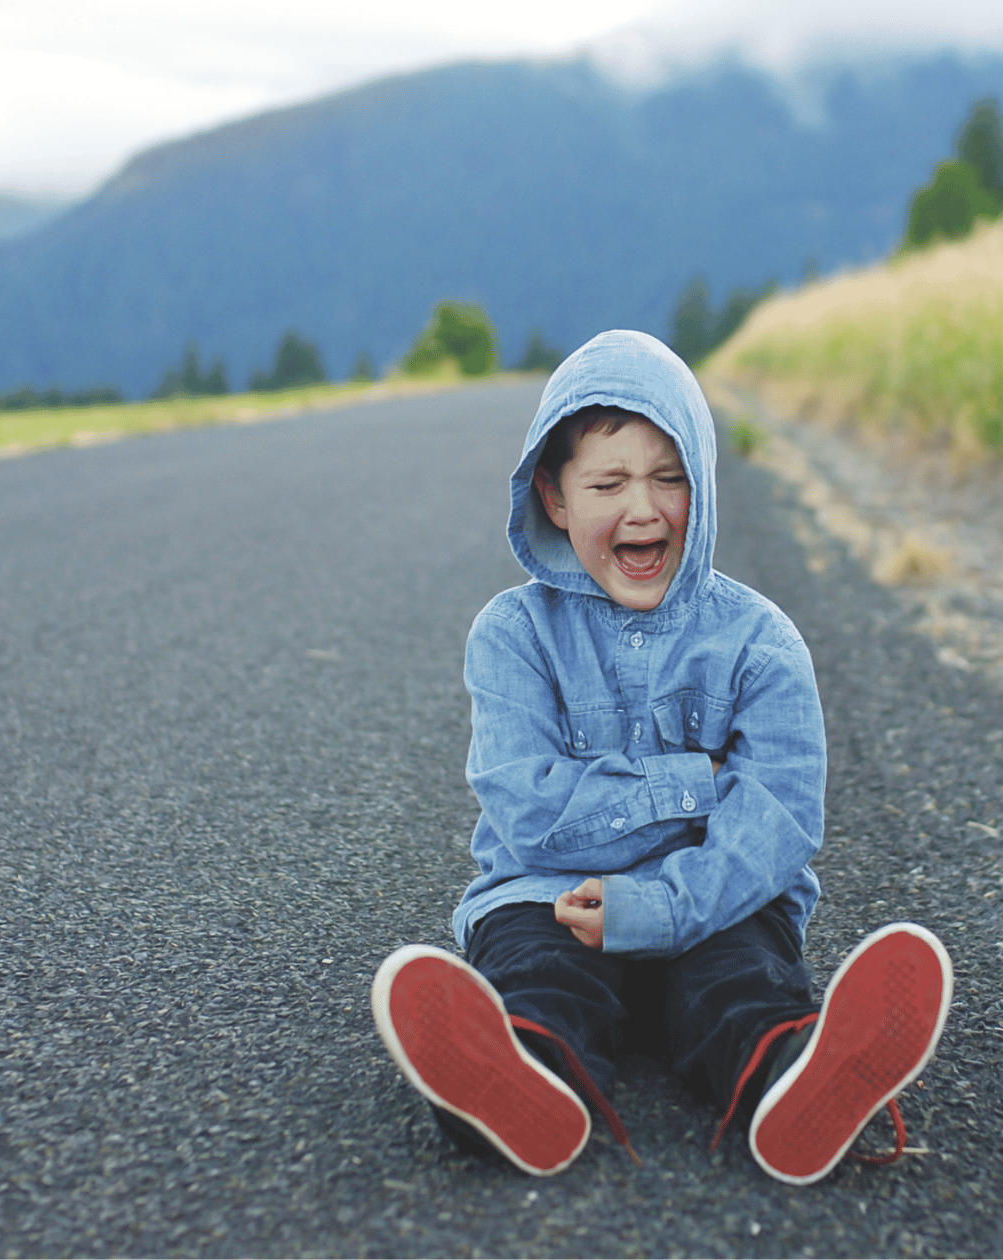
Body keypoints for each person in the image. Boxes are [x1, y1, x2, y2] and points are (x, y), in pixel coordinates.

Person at [369, 330, 952, 1184]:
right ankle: (513, 1081)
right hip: (549, 898)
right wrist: (693, 783)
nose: (643, 510)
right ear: (555, 497)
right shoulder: (513, 635)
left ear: (705, 490)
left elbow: (777, 824)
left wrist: (661, 908)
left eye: (670, 478)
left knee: (739, 987)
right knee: (537, 977)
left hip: (716, 901)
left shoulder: (761, 644)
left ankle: (800, 1075)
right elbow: (529, 810)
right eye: (608, 483)